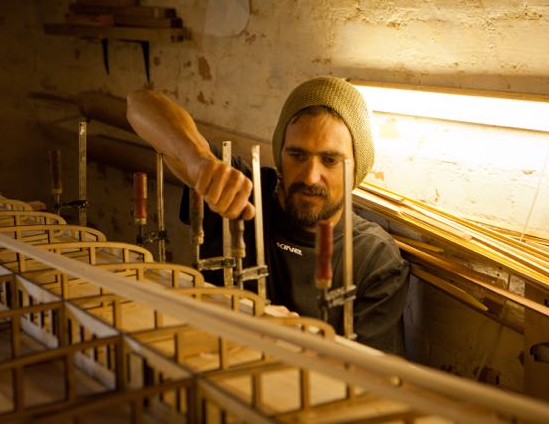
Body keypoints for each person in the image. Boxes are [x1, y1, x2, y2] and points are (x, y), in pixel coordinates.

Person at [127, 77, 409, 355]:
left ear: (357, 167)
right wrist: (199, 162)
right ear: (279, 154)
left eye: (330, 160)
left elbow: (375, 381)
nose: (311, 176)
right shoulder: (240, 190)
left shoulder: (372, 258)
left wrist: (292, 344)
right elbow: (139, 104)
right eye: (297, 155)